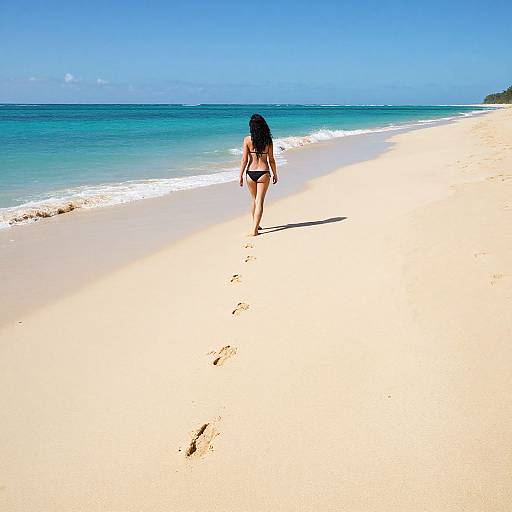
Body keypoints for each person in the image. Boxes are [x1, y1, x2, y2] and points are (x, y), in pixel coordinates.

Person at [239, 114, 278, 236]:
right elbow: (271, 159)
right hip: (263, 172)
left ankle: (256, 225)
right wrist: (275, 173)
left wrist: (240, 175)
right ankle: (255, 228)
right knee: (260, 201)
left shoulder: (247, 140)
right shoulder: (268, 140)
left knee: (254, 200)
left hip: (250, 173)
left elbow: (244, 159)